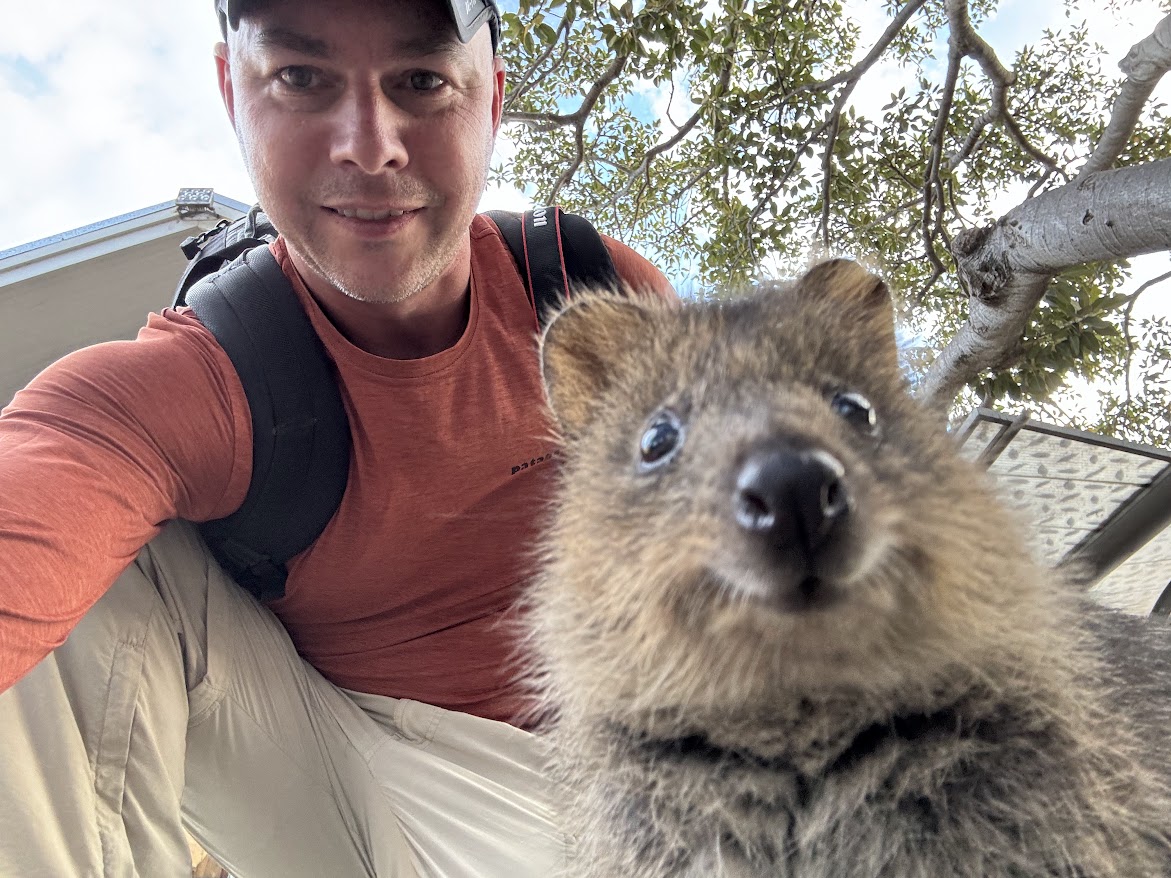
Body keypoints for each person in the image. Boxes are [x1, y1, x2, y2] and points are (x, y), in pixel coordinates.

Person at [0, 0, 673, 875]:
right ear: (231, 93)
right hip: (366, 793)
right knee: (122, 569)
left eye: (422, 81)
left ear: (492, 101)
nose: (369, 145)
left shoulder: (592, 291)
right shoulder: (196, 383)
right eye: (302, 78)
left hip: (646, 767)